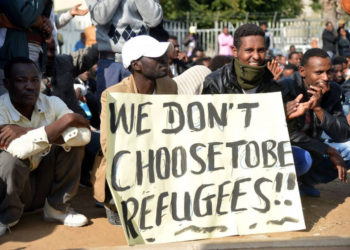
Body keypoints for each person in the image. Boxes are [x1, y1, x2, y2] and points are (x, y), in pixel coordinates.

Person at [202, 23, 313, 190]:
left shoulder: (272, 83)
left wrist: (287, 117)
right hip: (225, 151)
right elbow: (208, 131)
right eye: (249, 50)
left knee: (303, 159)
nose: (256, 56)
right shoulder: (215, 82)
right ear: (235, 52)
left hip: (259, 150)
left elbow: (283, 136)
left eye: (261, 50)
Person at [91, 35, 177, 224]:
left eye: (164, 54)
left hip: (161, 164)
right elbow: (108, 145)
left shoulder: (170, 86)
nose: (164, 58)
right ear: (136, 65)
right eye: (156, 56)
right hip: (126, 168)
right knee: (126, 222)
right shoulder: (113, 95)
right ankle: (113, 200)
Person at [0, 57, 91, 236]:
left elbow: (84, 135)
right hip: (11, 190)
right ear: (7, 83)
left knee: (73, 146)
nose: (30, 86)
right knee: (9, 160)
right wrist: (63, 124)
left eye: (35, 80)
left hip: (43, 183)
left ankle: (57, 209)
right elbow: (19, 149)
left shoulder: (52, 103)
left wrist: (25, 131)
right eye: (21, 80)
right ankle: (6, 217)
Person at [280, 48, 350, 196]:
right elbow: (287, 133)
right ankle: (286, 188)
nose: (325, 77)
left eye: (328, 71)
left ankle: (306, 182)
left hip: (315, 145)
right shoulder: (286, 87)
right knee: (303, 158)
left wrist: (318, 109)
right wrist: (327, 149)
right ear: (302, 71)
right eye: (319, 72)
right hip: (287, 148)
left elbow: (342, 134)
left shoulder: (333, 90)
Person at [85, 0, 163, 103]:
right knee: (109, 112)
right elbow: (100, 17)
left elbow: (154, 19)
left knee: (141, 109)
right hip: (110, 61)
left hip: (139, 60)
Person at [0, 0, 53, 95]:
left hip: (35, 62)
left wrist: (46, 24)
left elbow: (42, 17)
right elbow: (23, 16)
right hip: (10, 63)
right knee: (7, 107)